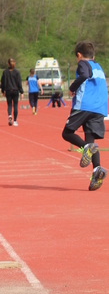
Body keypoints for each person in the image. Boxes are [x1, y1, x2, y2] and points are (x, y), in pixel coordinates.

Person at [62, 41, 108, 191]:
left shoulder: (83, 64)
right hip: (99, 108)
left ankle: (85, 147)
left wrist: (72, 88)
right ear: (93, 55)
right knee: (90, 139)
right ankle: (97, 170)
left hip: (84, 105)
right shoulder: (99, 67)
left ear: (79, 55)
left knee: (67, 133)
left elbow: (84, 74)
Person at [1, 58, 24, 127]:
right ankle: (15, 120)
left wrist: (3, 90)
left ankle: (10, 115)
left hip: (8, 90)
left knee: (10, 104)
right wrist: (21, 92)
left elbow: (3, 82)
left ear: (8, 63)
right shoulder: (17, 72)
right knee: (16, 105)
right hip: (15, 90)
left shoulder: (5, 72)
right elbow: (19, 82)